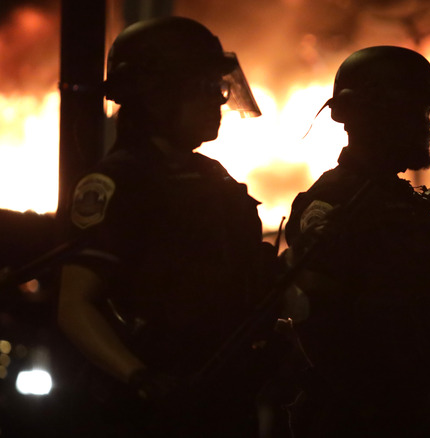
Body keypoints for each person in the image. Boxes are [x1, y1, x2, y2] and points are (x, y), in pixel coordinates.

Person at [56, 16, 276, 437]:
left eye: (220, 87)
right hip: (146, 413)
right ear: (158, 96)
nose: (219, 101)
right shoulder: (116, 183)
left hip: (221, 401)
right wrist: (141, 379)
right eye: (206, 88)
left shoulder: (214, 178)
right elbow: (75, 305)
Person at [281, 45, 430, 438]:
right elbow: (325, 328)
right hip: (356, 421)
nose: (428, 125)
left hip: (406, 409)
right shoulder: (335, 203)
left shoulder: (400, 201)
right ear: (371, 116)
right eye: (416, 111)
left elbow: (413, 310)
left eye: (428, 112)